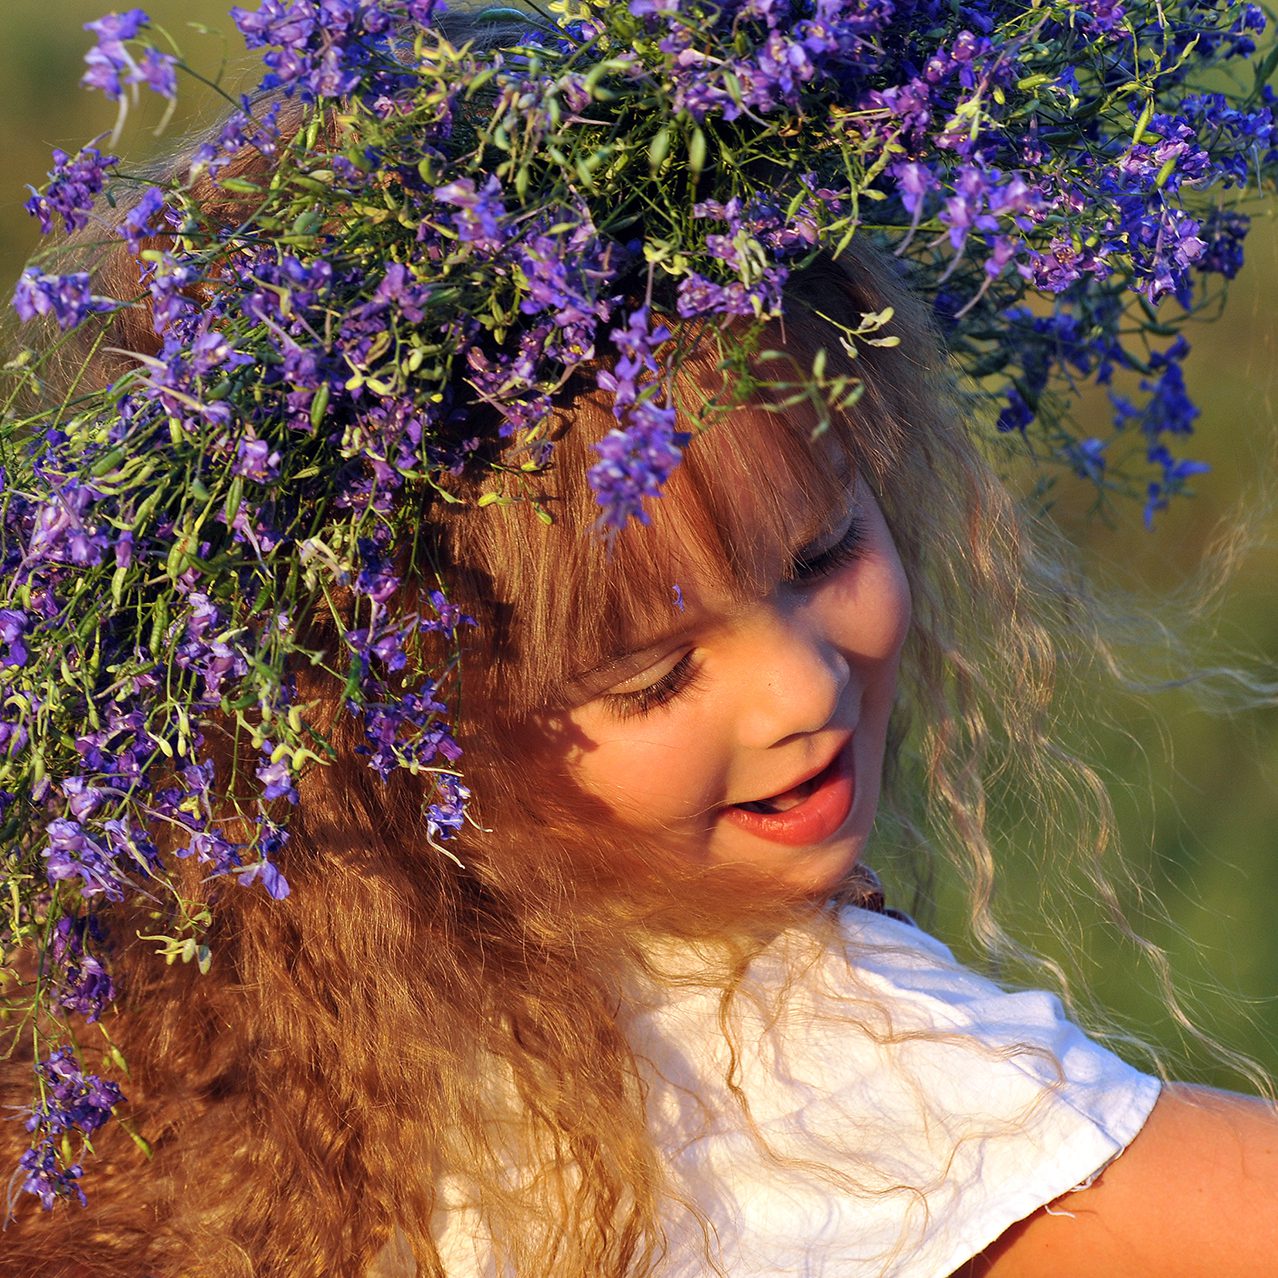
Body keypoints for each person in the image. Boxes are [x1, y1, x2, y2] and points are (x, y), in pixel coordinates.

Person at [1, 3, 1276, 1275]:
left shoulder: (268, 1044)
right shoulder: (807, 1064)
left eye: (823, 555)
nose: (799, 690)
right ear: (394, 739)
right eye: (655, 677)